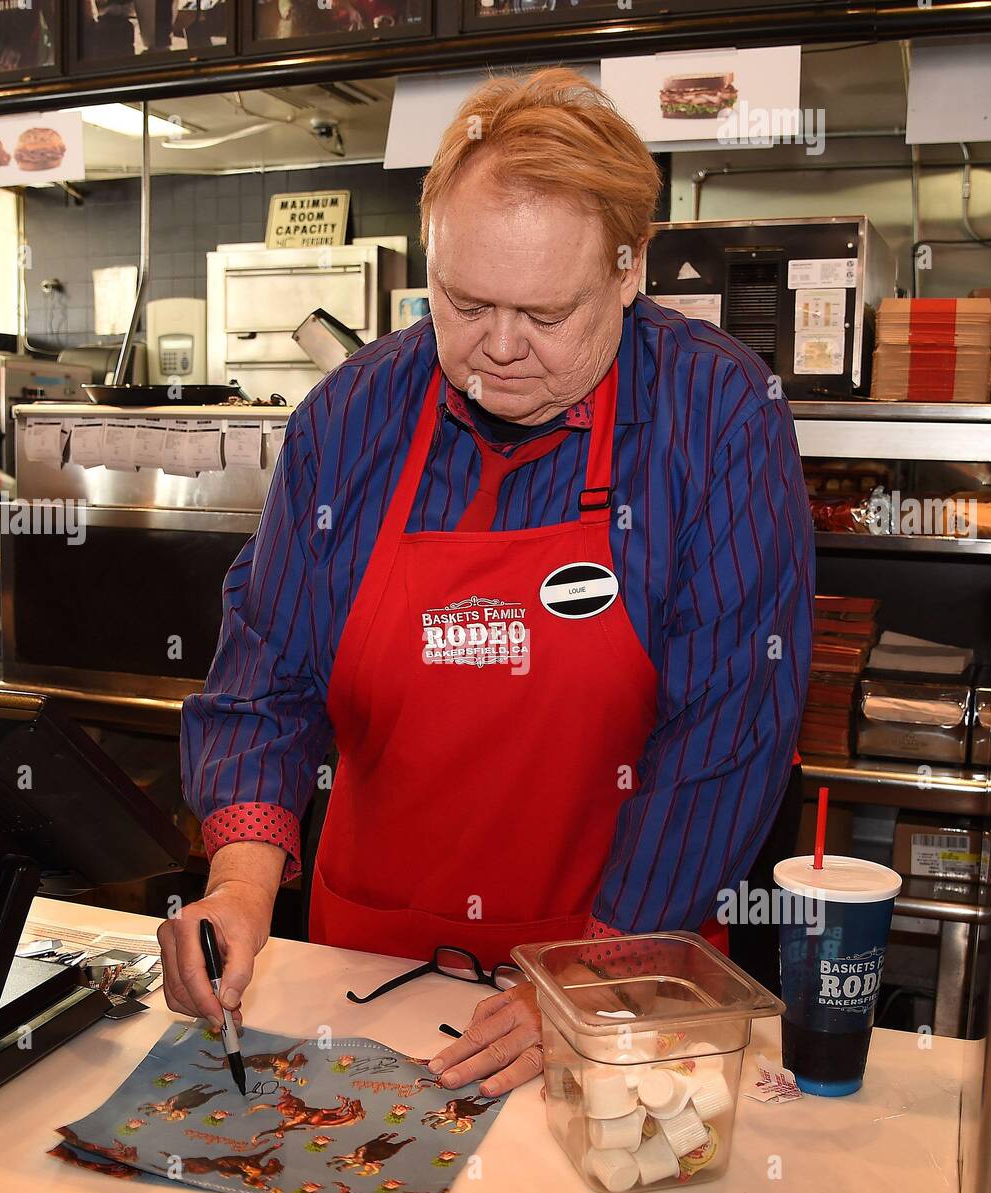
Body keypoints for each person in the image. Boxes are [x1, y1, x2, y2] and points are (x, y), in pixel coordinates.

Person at [169, 68, 814, 1100]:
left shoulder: (715, 417)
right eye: (465, 304)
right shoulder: (350, 421)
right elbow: (267, 670)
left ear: (628, 271)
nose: (500, 350)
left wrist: (590, 989)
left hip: (618, 988)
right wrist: (239, 887)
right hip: (363, 976)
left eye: (546, 313)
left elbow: (727, 733)